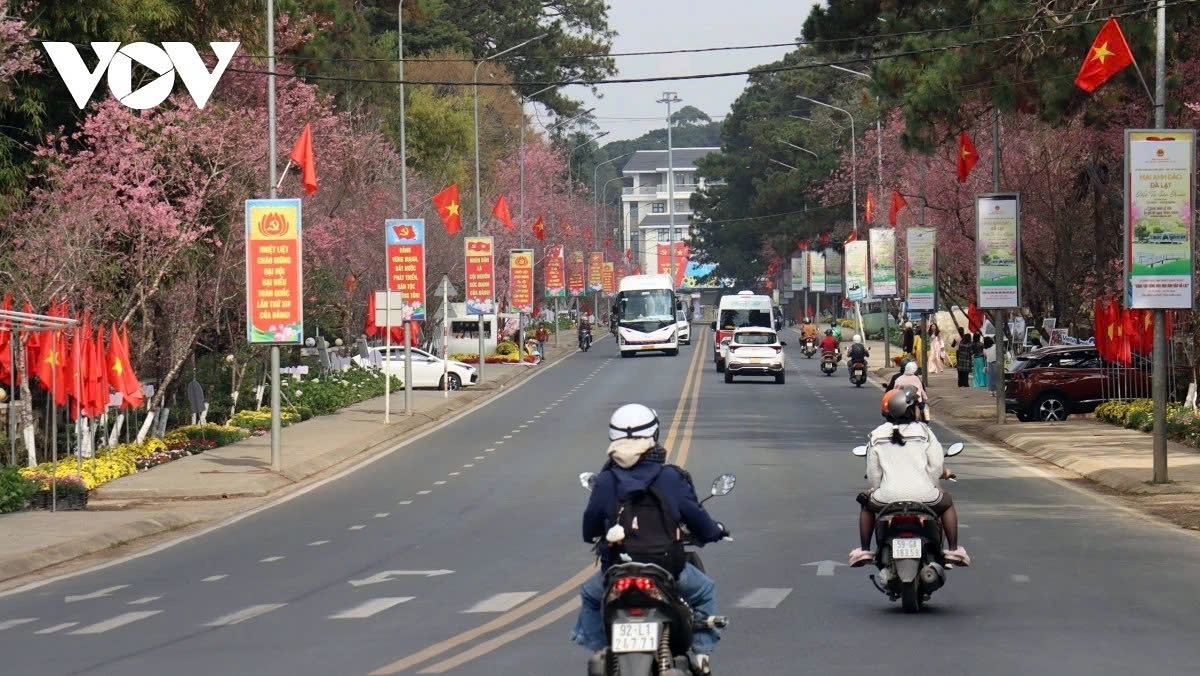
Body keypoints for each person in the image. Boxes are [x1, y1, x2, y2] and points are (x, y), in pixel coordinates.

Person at [572, 404, 727, 671]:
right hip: (667, 569)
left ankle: (599, 649)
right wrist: (715, 531)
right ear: (654, 434)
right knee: (704, 592)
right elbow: (697, 518)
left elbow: (589, 528)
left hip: (616, 571)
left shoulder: (607, 480)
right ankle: (701, 654)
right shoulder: (669, 477)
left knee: (589, 595)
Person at [848, 389, 969, 567]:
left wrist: (875, 489)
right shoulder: (924, 431)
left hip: (886, 499)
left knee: (866, 504)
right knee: (947, 503)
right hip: (925, 496)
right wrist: (932, 484)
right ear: (911, 410)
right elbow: (936, 466)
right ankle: (953, 550)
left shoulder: (876, 435)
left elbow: (874, 474)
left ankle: (865, 550)